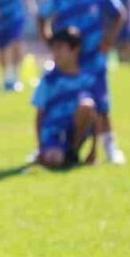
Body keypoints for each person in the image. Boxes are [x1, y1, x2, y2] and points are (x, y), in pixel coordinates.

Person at [37, 0, 127, 165]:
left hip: (93, 61)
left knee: (101, 105)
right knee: (57, 103)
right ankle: (51, 145)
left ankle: (109, 146)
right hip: (67, 64)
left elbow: (120, 14)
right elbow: (41, 16)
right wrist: (48, 38)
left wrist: (109, 40)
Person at [33, 26, 98, 168]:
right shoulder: (49, 80)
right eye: (54, 49)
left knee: (87, 105)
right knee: (54, 160)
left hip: (73, 132)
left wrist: (94, 151)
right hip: (53, 133)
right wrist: (40, 147)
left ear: (75, 49)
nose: (55, 53)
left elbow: (96, 116)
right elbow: (39, 115)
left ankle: (72, 152)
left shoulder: (88, 79)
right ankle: (55, 154)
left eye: (60, 48)